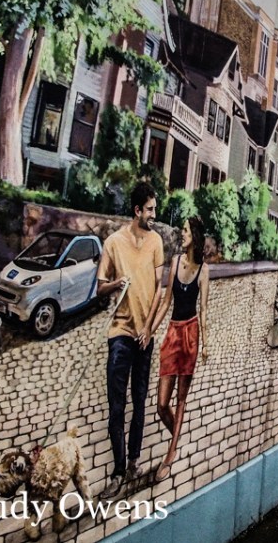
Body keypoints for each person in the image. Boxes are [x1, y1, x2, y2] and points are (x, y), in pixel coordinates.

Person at [97, 181, 165, 499]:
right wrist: (115, 283)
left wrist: (149, 329)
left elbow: (160, 289)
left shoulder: (156, 242)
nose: (155, 213)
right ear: (137, 210)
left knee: (139, 402)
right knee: (116, 405)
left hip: (144, 337)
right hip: (120, 335)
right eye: (150, 209)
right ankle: (118, 471)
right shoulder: (113, 243)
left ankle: (135, 461)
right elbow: (99, 287)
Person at [148, 216, 209, 483]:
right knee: (162, 404)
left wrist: (206, 344)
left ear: (194, 236)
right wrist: (151, 328)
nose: (181, 234)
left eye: (185, 231)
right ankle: (178, 435)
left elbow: (204, 310)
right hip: (173, 334)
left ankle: (170, 455)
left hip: (191, 334)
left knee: (181, 400)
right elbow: (166, 302)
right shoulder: (174, 263)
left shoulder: (203, 271)